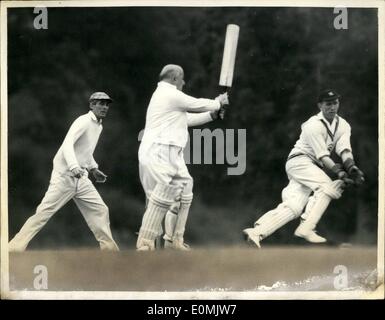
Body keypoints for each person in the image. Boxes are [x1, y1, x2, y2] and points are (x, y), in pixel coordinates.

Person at [243, 89, 364, 248]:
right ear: (320, 105)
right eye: (328, 104)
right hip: (300, 161)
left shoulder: (343, 125)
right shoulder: (312, 124)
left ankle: (256, 233)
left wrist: (351, 167)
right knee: (327, 186)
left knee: (294, 206)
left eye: (335, 103)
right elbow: (322, 156)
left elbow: (344, 150)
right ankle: (307, 227)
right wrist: (340, 172)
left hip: (312, 166)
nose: (332, 107)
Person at [9, 92, 119, 252]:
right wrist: (74, 167)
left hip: (81, 178)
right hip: (64, 176)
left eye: (107, 104)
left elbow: (85, 151)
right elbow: (67, 144)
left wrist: (94, 168)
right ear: (92, 105)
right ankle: (13, 248)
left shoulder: (99, 126)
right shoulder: (83, 121)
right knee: (43, 213)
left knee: (101, 209)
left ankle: (110, 250)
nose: (104, 107)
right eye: (101, 103)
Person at [137, 64, 229, 251]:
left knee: (186, 188)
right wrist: (218, 102)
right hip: (157, 151)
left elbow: (187, 119)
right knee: (163, 195)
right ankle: (145, 243)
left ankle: (174, 240)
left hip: (172, 153)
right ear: (174, 78)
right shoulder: (167, 93)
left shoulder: (170, 100)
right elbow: (195, 104)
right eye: (182, 79)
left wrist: (212, 115)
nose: (184, 82)